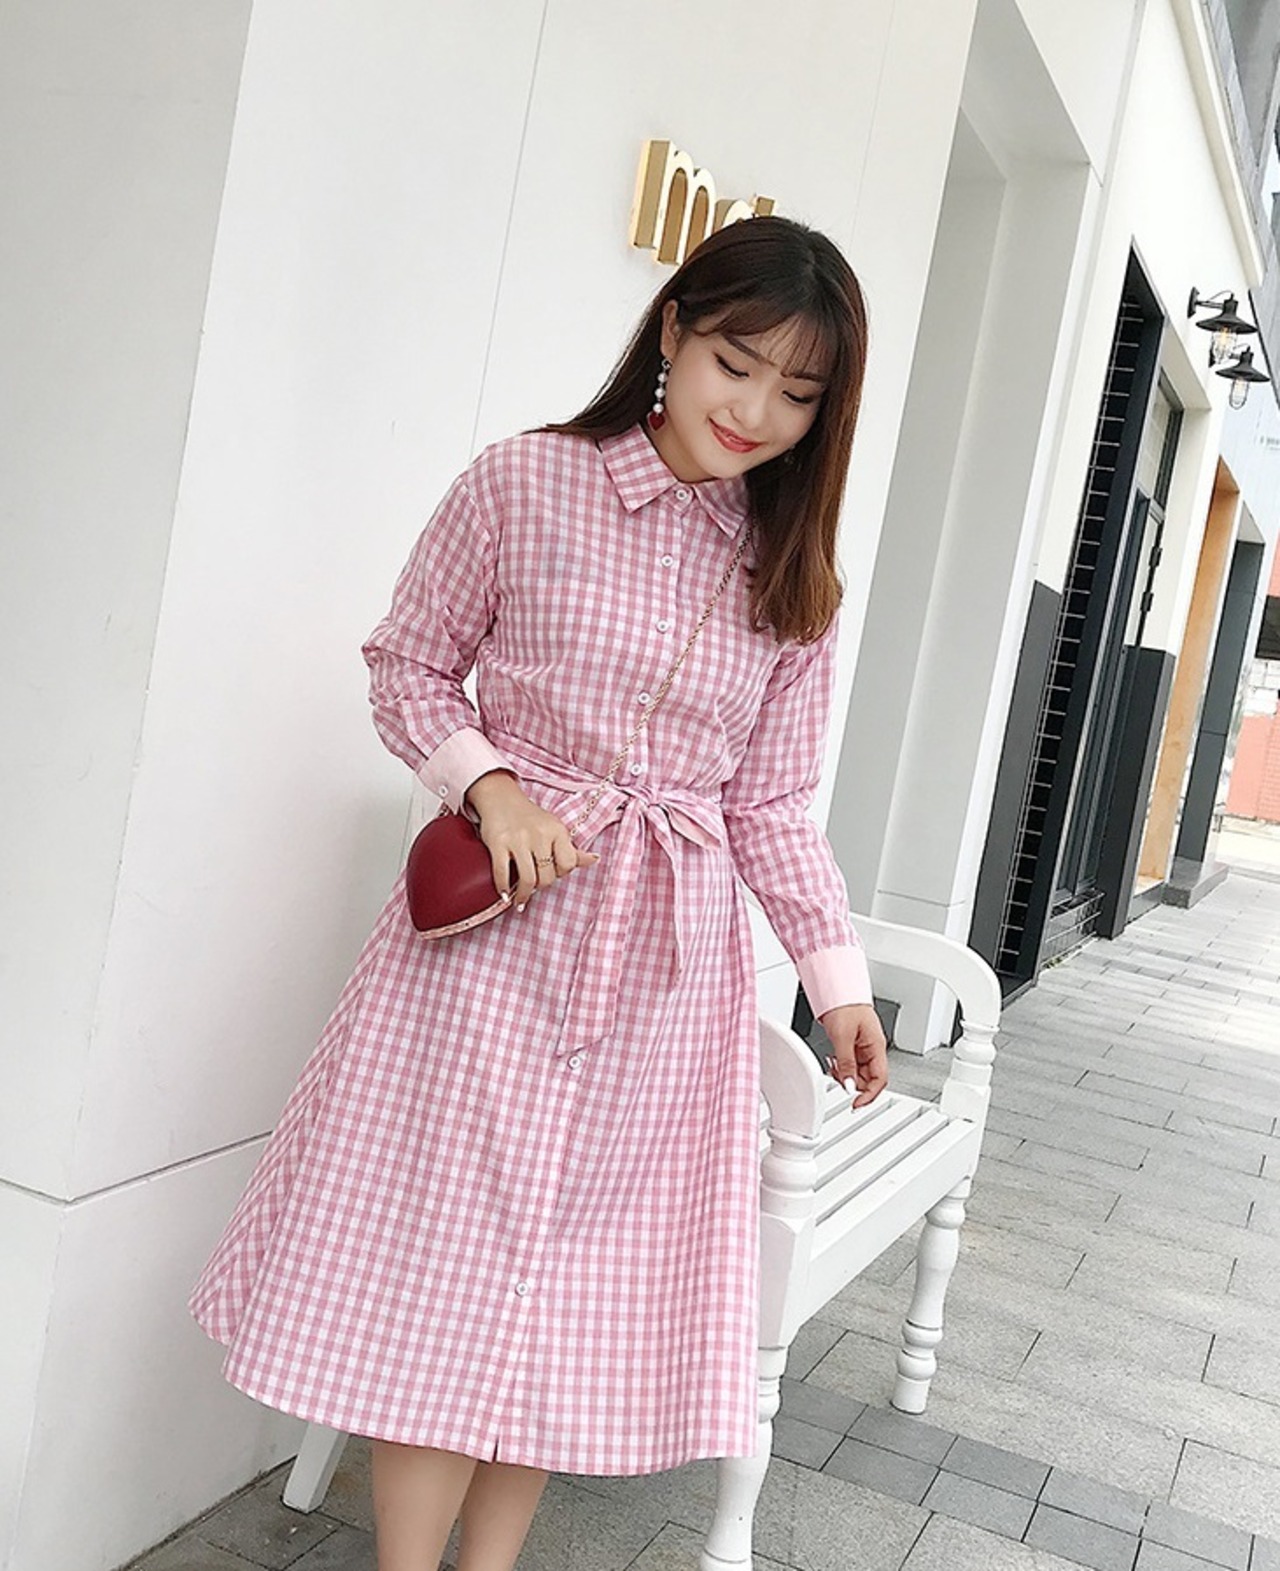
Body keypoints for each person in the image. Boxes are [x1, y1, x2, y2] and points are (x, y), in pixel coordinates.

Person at [189, 213, 888, 1571]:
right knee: (447, 1277)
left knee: (569, 1297)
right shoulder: (525, 482)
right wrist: (492, 789)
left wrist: (838, 984)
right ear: (674, 330)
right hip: (496, 949)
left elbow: (770, 808)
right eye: (736, 363)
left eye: (800, 393)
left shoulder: (794, 576)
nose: (755, 412)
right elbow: (407, 664)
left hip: (666, 979)